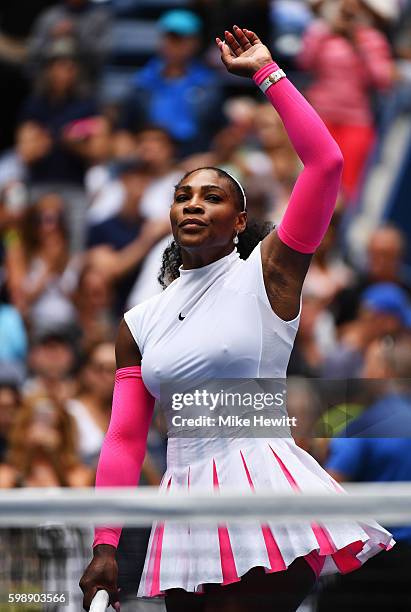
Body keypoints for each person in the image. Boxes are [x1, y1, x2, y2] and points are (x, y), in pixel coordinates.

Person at [80, 27, 393, 612]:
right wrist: (105, 543)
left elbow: (325, 164)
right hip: (184, 501)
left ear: (241, 218)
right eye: (183, 195)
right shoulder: (138, 323)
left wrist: (267, 73)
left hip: (262, 485)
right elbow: (124, 438)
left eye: (212, 196)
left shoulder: (267, 272)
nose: (194, 203)